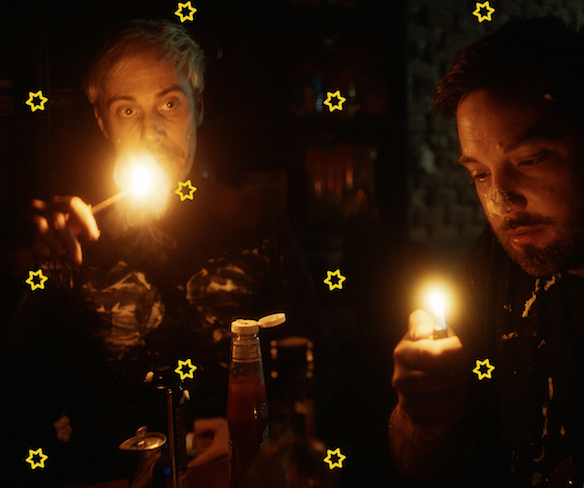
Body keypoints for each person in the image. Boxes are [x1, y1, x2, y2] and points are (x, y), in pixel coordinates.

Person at [0, 19, 337, 486]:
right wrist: (13, 264)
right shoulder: (68, 240)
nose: (152, 131)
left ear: (198, 108)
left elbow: (320, 368)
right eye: (127, 110)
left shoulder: (257, 227)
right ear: (102, 122)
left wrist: (257, 428)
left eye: (170, 104)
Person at [390, 16, 584, 488]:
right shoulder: (497, 261)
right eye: (479, 173)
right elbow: (422, 467)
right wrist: (425, 420)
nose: (500, 201)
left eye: (530, 160)